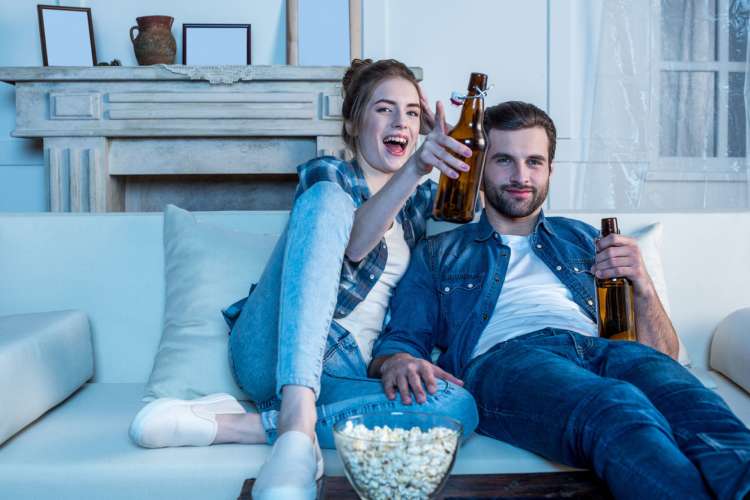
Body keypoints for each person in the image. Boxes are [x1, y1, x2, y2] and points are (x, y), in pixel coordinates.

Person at [128, 58, 479, 500]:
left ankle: (252, 425)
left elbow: (482, 217)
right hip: (272, 346)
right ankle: (295, 421)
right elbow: (354, 244)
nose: (400, 122)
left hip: (347, 370)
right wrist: (414, 168)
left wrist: (445, 143)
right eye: (384, 109)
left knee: (456, 408)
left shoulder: (420, 201)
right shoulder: (327, 174)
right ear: (353, 124)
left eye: (411, 112)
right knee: (328, 201)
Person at [370, 101, 750, 500]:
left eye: (534, 162)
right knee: (615, 407)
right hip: (508, 361)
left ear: (550, 170)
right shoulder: (439, 252)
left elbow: (663, 355)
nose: (521, 176)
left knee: (699, 408)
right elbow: (401, 341)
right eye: (504, 161)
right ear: (480, 169)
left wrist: (643, 284)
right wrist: (398, 361)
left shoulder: (583, 238)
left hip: (603, 352)